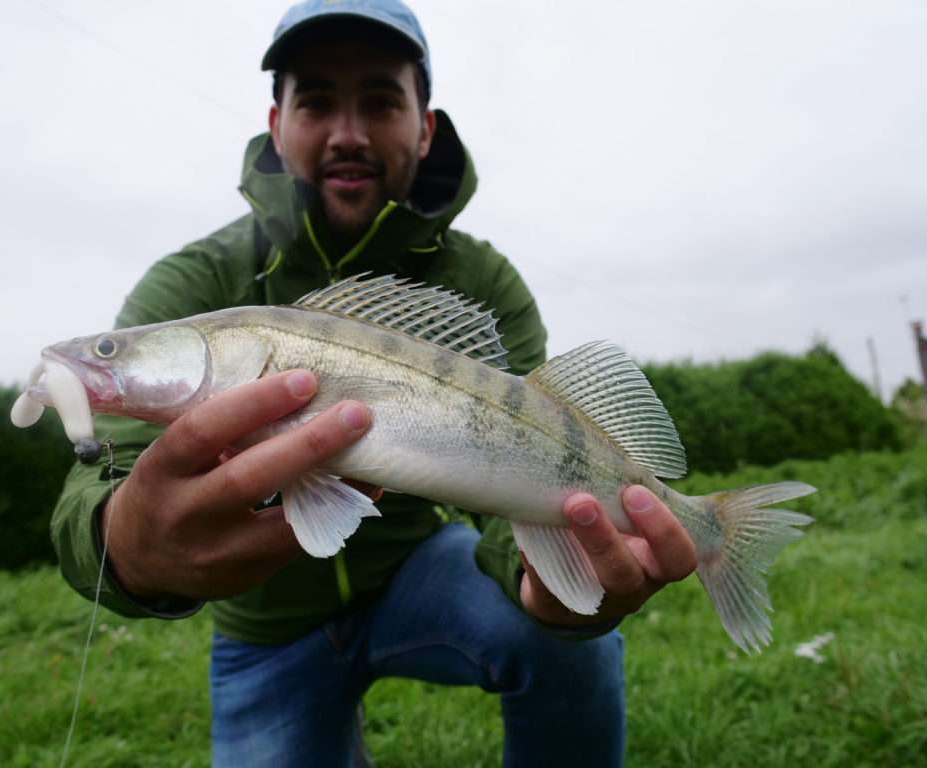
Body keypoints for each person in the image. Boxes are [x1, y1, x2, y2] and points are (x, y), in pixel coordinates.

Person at [51, 2, 698, 765]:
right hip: (266, 631)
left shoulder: (484, 282)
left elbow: (518, 490)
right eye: (317, 100)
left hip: (418, 575)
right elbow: (91, 489)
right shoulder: (198, 283)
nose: (348, 133)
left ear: (425, 125)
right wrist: (122, 542)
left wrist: (543, 585)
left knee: (579, 643)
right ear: (276, 121)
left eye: (382, 100)